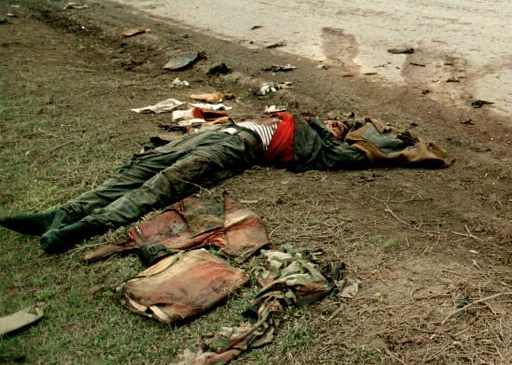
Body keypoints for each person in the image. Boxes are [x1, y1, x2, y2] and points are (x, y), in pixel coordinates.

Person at [1, 112, 451, 254]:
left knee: (160, 184)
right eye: (332, 119)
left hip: (233, 149)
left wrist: (393, 142)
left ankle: (78, 230)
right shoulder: (295, 117)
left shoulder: (321, 144)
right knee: (134, 170)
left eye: (337, 126)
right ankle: (62, 213)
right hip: (216, 133)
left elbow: (365, 151)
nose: (332, 124)